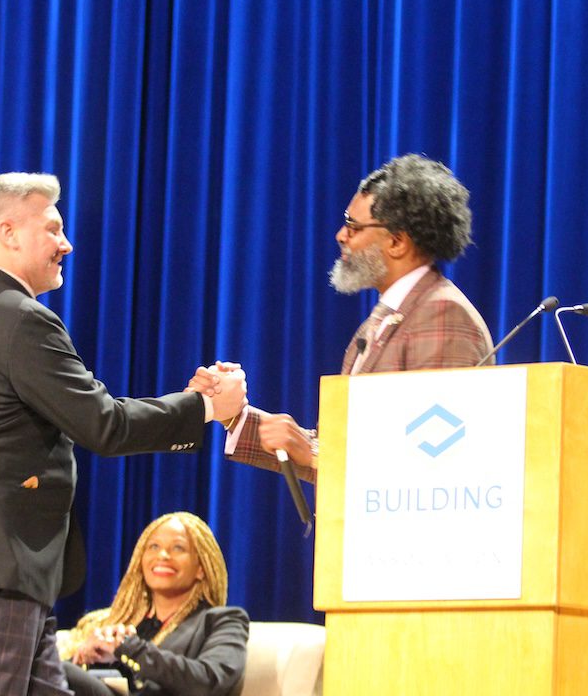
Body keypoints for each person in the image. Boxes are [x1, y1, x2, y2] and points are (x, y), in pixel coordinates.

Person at [0, 172, 247, 696]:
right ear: (10, 233)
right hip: (0, 562)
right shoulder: (23, 321)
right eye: (54, 228)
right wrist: (204, 406)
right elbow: (103, 424)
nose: (67, 243)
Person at [191, 154, 493, 483]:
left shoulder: (442, 316)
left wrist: (315, 452)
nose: (340, 235)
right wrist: (236, 416)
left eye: (353, 225)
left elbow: (440, 456)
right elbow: (341, 453)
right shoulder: (387, 317)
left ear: (396, 242)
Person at [62, 512, 247, 696]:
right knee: (51, 670)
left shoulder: (222, 621)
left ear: (201, 568)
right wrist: (84, 658)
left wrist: (128, 648)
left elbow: (210, 682)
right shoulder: (121, 622)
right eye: (154, 546)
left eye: (178, 548)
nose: (163, 555)